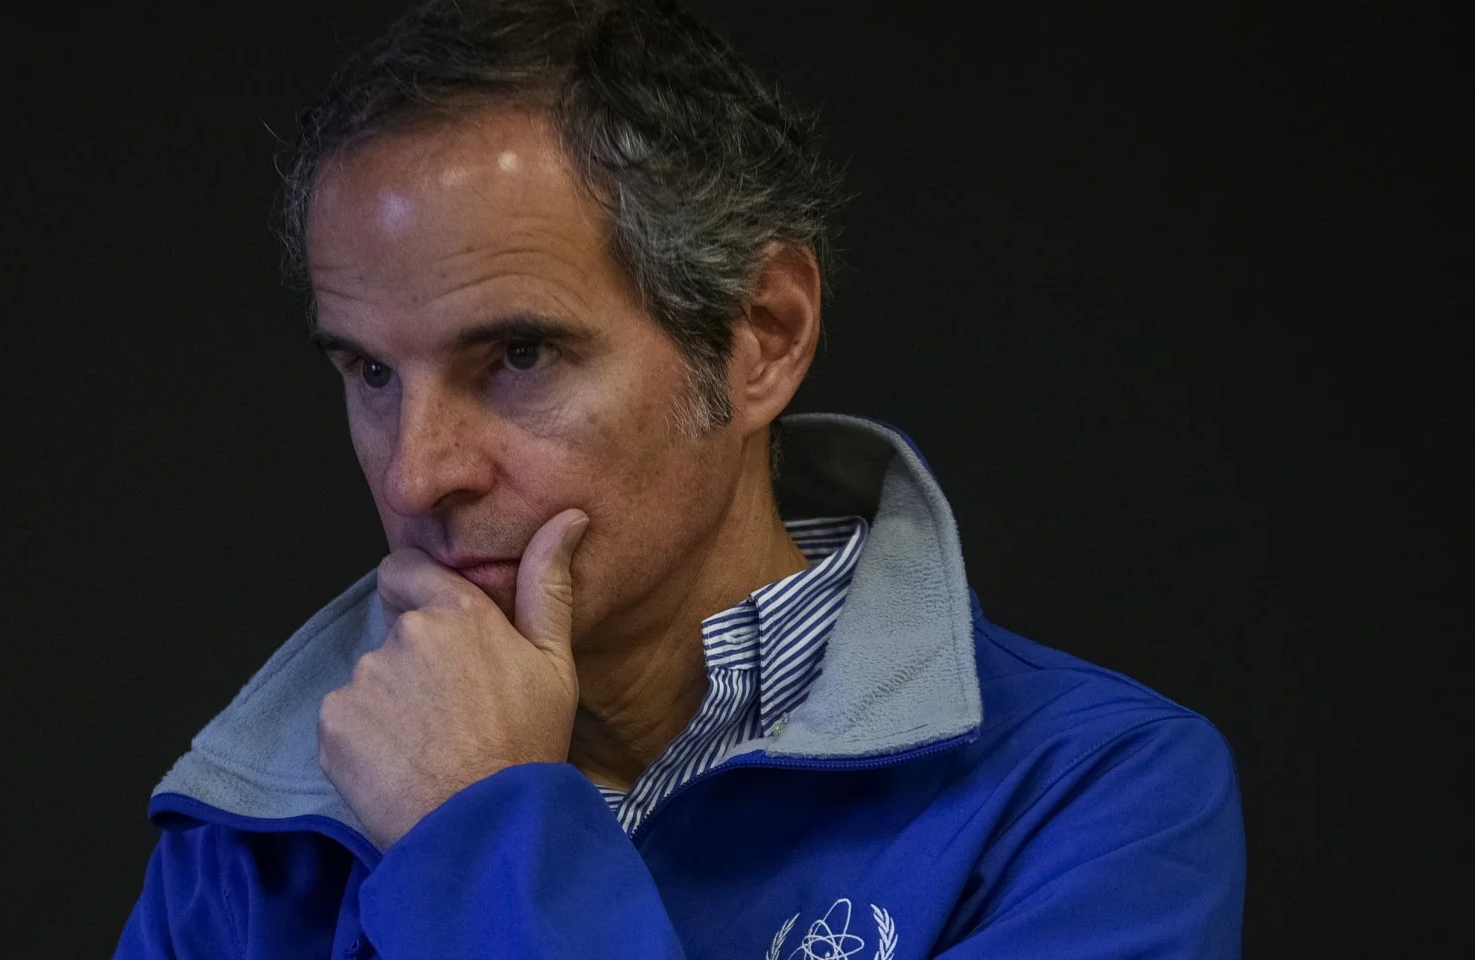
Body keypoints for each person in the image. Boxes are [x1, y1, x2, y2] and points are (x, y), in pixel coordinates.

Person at [113, 1, 1245, 956]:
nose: (418, 475)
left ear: (762, 336)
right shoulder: (253, 829)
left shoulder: (1094, 799)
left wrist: (479, 836)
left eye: (518, 356)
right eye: (369, 372)